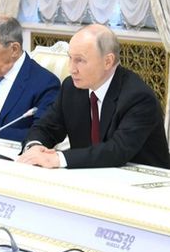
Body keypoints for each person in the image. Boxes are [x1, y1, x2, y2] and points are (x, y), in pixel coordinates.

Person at [19, 24, 170, 169]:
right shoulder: (71, 87)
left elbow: (116, 150)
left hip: (142, 185)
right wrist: (35, 147)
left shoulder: (138, 97)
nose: (71, 69)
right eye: (70, 58)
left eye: (80, 60)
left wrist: (58, 159)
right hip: (89, 177)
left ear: (108, 61)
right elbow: (47, 127)